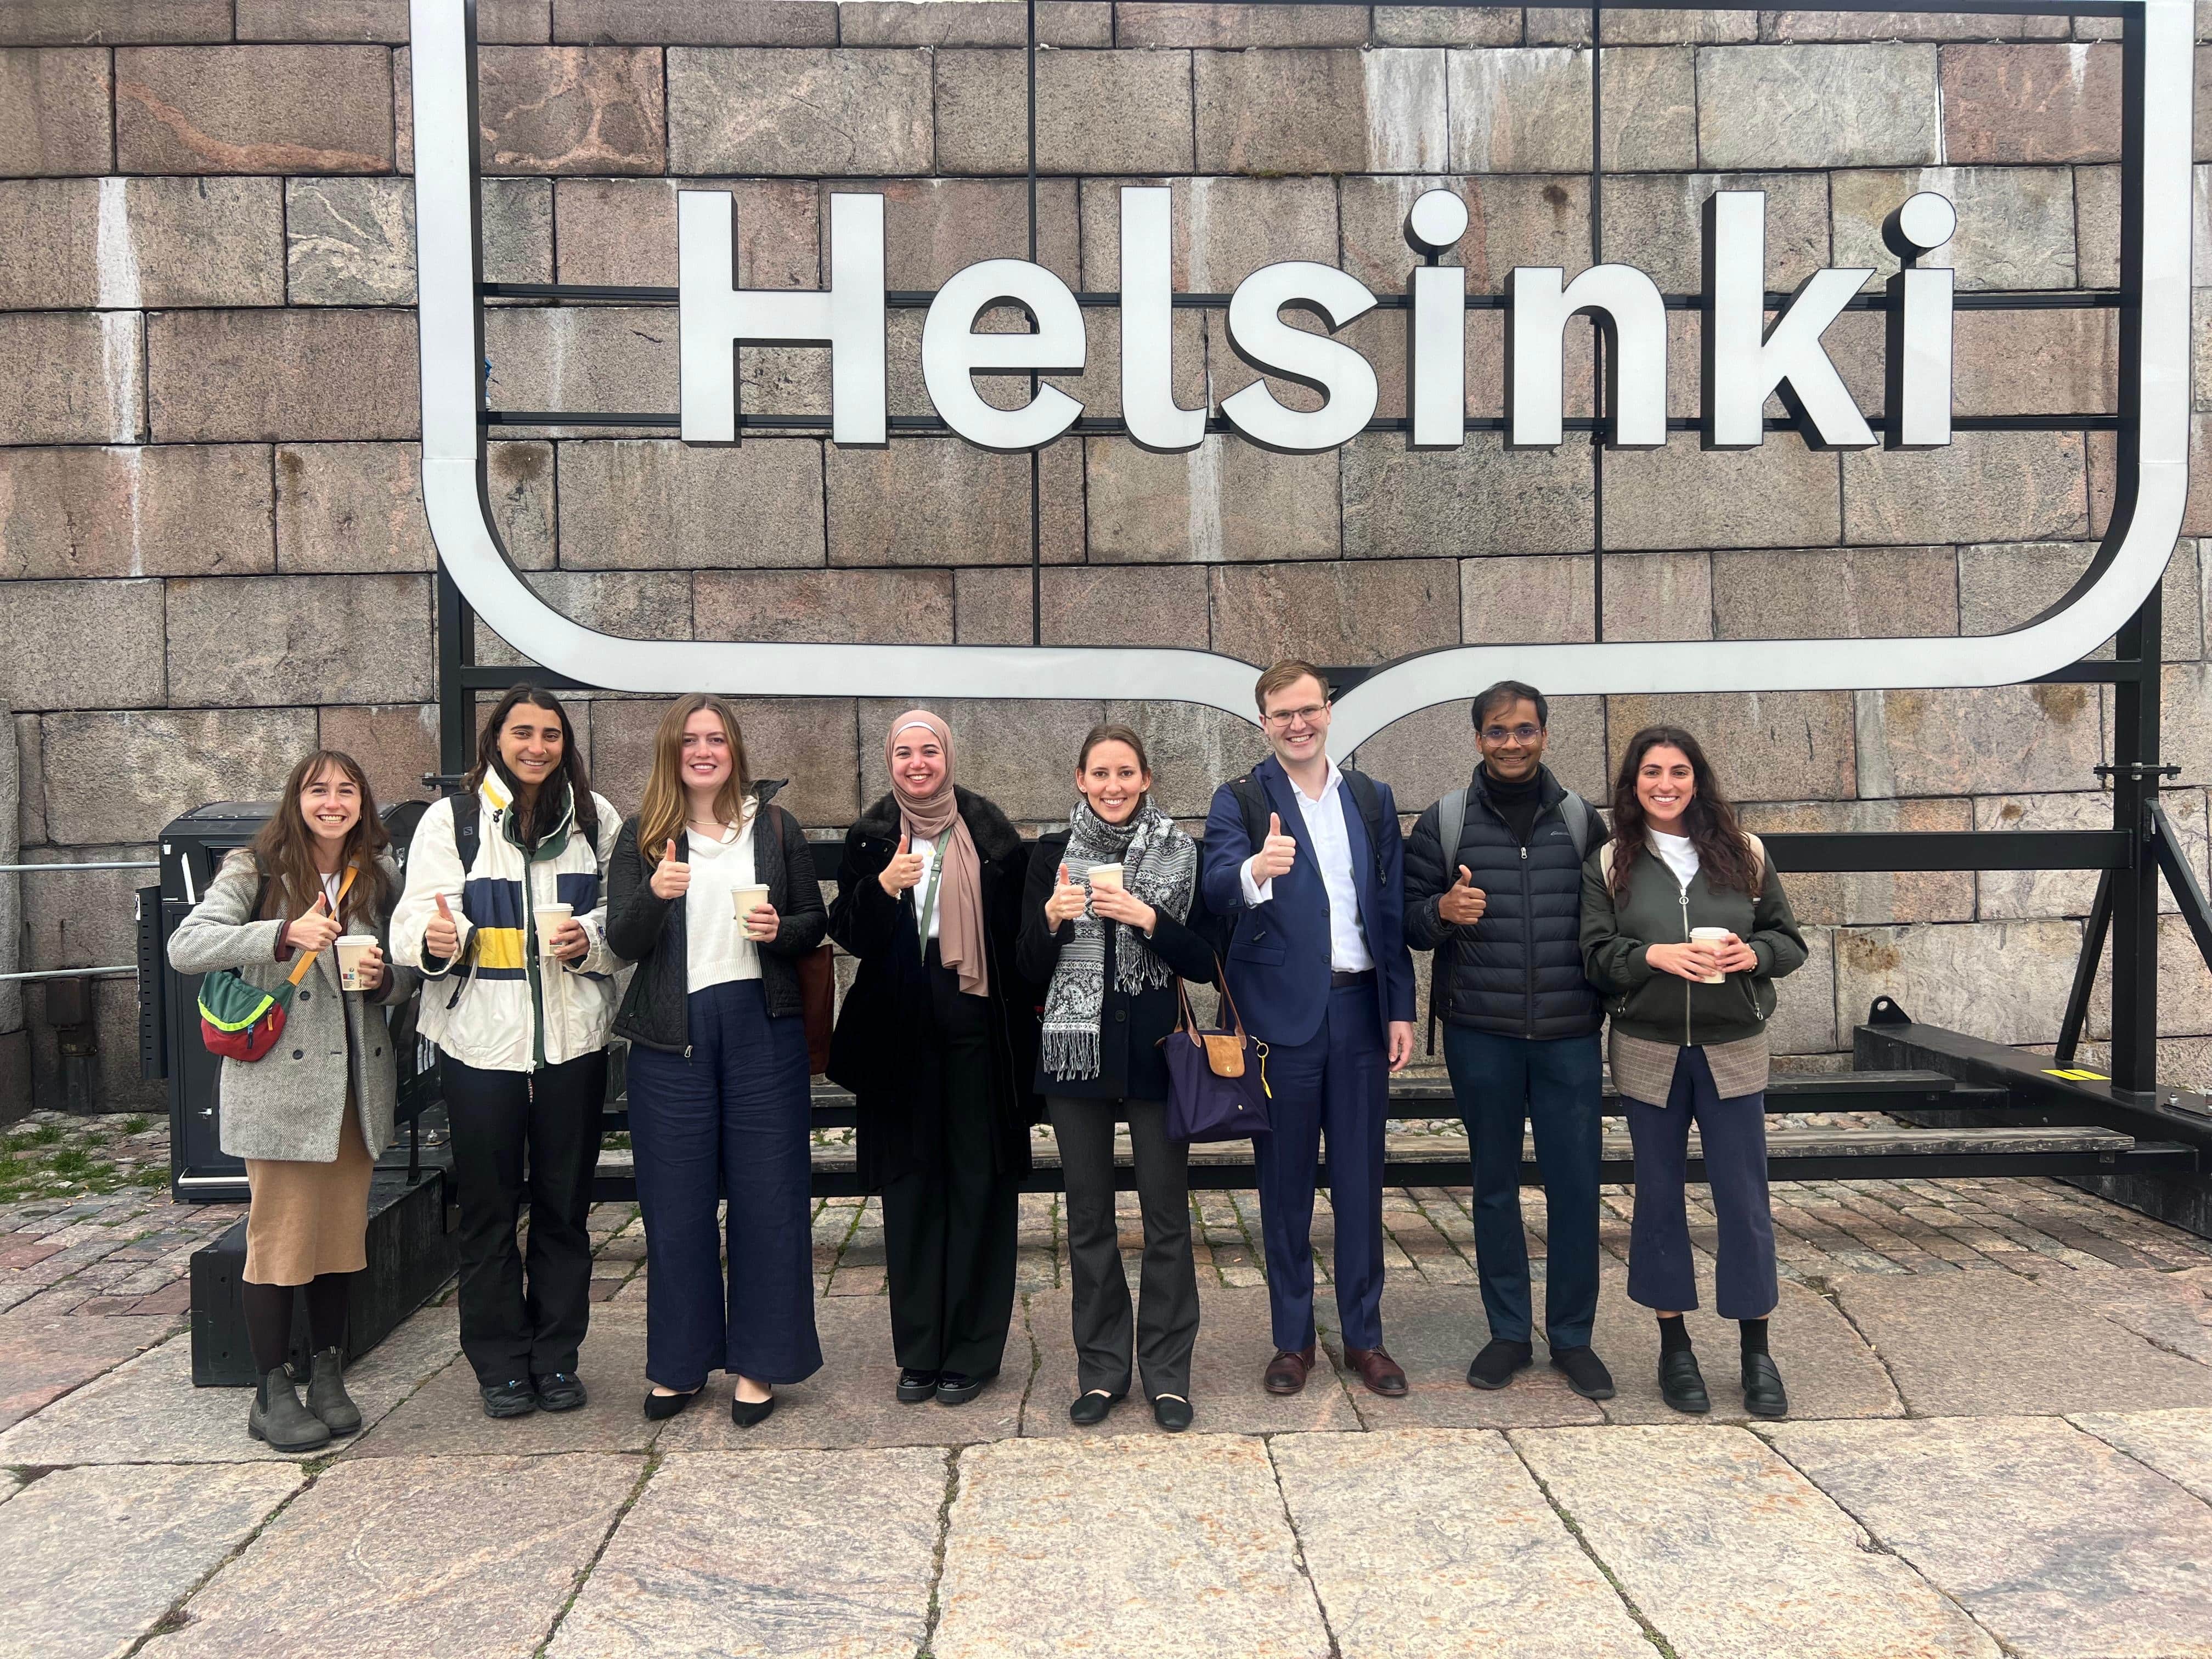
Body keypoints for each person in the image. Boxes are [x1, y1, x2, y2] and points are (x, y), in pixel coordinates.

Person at [167, 749, 418, 1452]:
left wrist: (387, 981)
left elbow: (410, 973)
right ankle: (270, 1389)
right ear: (297, 799)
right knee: (278, 1243)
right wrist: (284, 934)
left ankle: (329, 1374)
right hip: (281, 1083)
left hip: (356, 1088)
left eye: (347, 790)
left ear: (363, 803)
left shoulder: (379, 875)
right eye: (318, 790)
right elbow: (187, 946)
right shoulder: (257, 868)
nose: (333, 802)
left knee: (340, 1240)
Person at [391, 686, 623, 1419]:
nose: (536, 747)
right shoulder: (453, 821)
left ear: (565, 744)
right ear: (497, 738)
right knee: (489, 1211)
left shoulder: (595, 818)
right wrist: (435, 944)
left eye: (550, 734)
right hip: (479, 1043)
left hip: (573, 1043)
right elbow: (412, 921)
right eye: (523, 732)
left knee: (564, 1208)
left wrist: (593, 942)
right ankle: (499, 1363)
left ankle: (556, 1359)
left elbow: (628, 916)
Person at [606, 695, 826, 1428]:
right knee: (676, 1207)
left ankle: (761, 1365)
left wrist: (777, 927)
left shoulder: (774, 827)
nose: (705, 750)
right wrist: (656, 897)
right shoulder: (643, 836)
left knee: (771, 1200)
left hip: (761, 1025)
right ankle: (679, 1364)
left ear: (735, 750)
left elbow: (811, 923)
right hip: (673, 1034)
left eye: (717, 739)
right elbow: (624, 943)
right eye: (691, 739)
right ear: (673, 752)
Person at [1200, 661, 1417, 1399]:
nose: (1297, 724)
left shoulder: (1371, 797)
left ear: (1328, 711)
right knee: (1284, 1187)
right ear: (1264, 722)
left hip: (1359, 1011)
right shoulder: (1240, 798)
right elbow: (1216, 885)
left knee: (1361, 1181)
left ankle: (1366, 1337)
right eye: (1281, 714)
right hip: (1278, 1023)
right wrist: (1258, 868)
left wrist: (1400, 1007)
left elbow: (1387, 909)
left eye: (1308, 710)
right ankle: (1293, 1340)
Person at [1581, 724, 1807, 1419]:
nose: (1666, 785)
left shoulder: (1745, 854)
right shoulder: (1612, 860)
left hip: (1734, 1045)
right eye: (1652, 773)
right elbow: (1593, 954)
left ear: (1697, 779)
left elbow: (1787, 940)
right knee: (1658, 1199)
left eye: (1678, 772)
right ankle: (1673, 1345)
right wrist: (1650, 958)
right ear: (1633, 784)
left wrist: (1754, 957)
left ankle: (1755, 1349)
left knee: (1744, 1198)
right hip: (1647, 1049)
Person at [1402, 682, 1612, 1401]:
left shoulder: (1583, 822)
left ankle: (1575, 1338)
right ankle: (1509, 1334)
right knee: (1494, 1187)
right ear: (1479, 739)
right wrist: (1442, 910)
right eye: (1498, 731)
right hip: (1481, 1035)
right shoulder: (1447, 822)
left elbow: (1612, 923)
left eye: (1525, 730)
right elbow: (1404, 920)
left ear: (1545, 735)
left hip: (1568, 1037)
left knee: (1576, 1189)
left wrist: (1601, 1001)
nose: (1512, 742)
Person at [827, 710, 1041, 1408]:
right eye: (904, 753)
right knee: (912, 1194)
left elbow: (1019, 944)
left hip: (981, 1033)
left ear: (948, 756)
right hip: (899, 1040)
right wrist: (883, 886)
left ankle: (975, 1351)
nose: (918, 763)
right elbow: (849, 936)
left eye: (929, 751)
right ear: (889, 762)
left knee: (980, 1188)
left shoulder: (993, 835)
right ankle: (920, 1352)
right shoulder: (868, 839)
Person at [1018, 724, 1216, 1433]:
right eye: (1100, 773)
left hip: (1157, 1057)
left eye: (1125, 772)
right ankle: (1102, 1370)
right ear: (1079, 779)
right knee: (1089, 1220)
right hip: (1075, 1058)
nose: (1112, 785)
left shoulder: (1178, 852)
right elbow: (1025, 968)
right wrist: (1050, 922)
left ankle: (1167, 1373)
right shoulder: (1050, 856)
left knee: (1166, 1218)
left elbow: (1201, 959)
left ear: (1146, 779)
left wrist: (1148, 919)